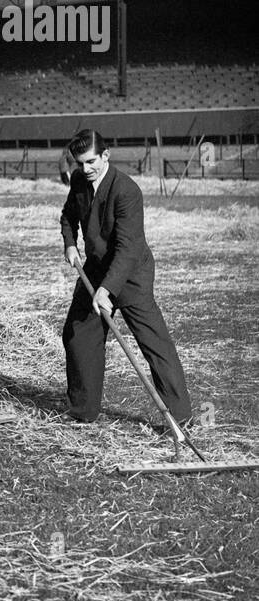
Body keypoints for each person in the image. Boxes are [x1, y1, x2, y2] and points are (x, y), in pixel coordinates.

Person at [59, 128, 192, 425]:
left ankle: (180, 417)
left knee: (153, 342)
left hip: (130, 273)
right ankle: (82, 411)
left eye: (91, 161)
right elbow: (68, 215)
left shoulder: (127, 190)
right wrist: (69, 243)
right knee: (78, 335)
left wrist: (106, 290)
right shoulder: (80, 180)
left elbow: (128, 249)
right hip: (95, 268)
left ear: (106, 155)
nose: (85, 169)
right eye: (79, 163)